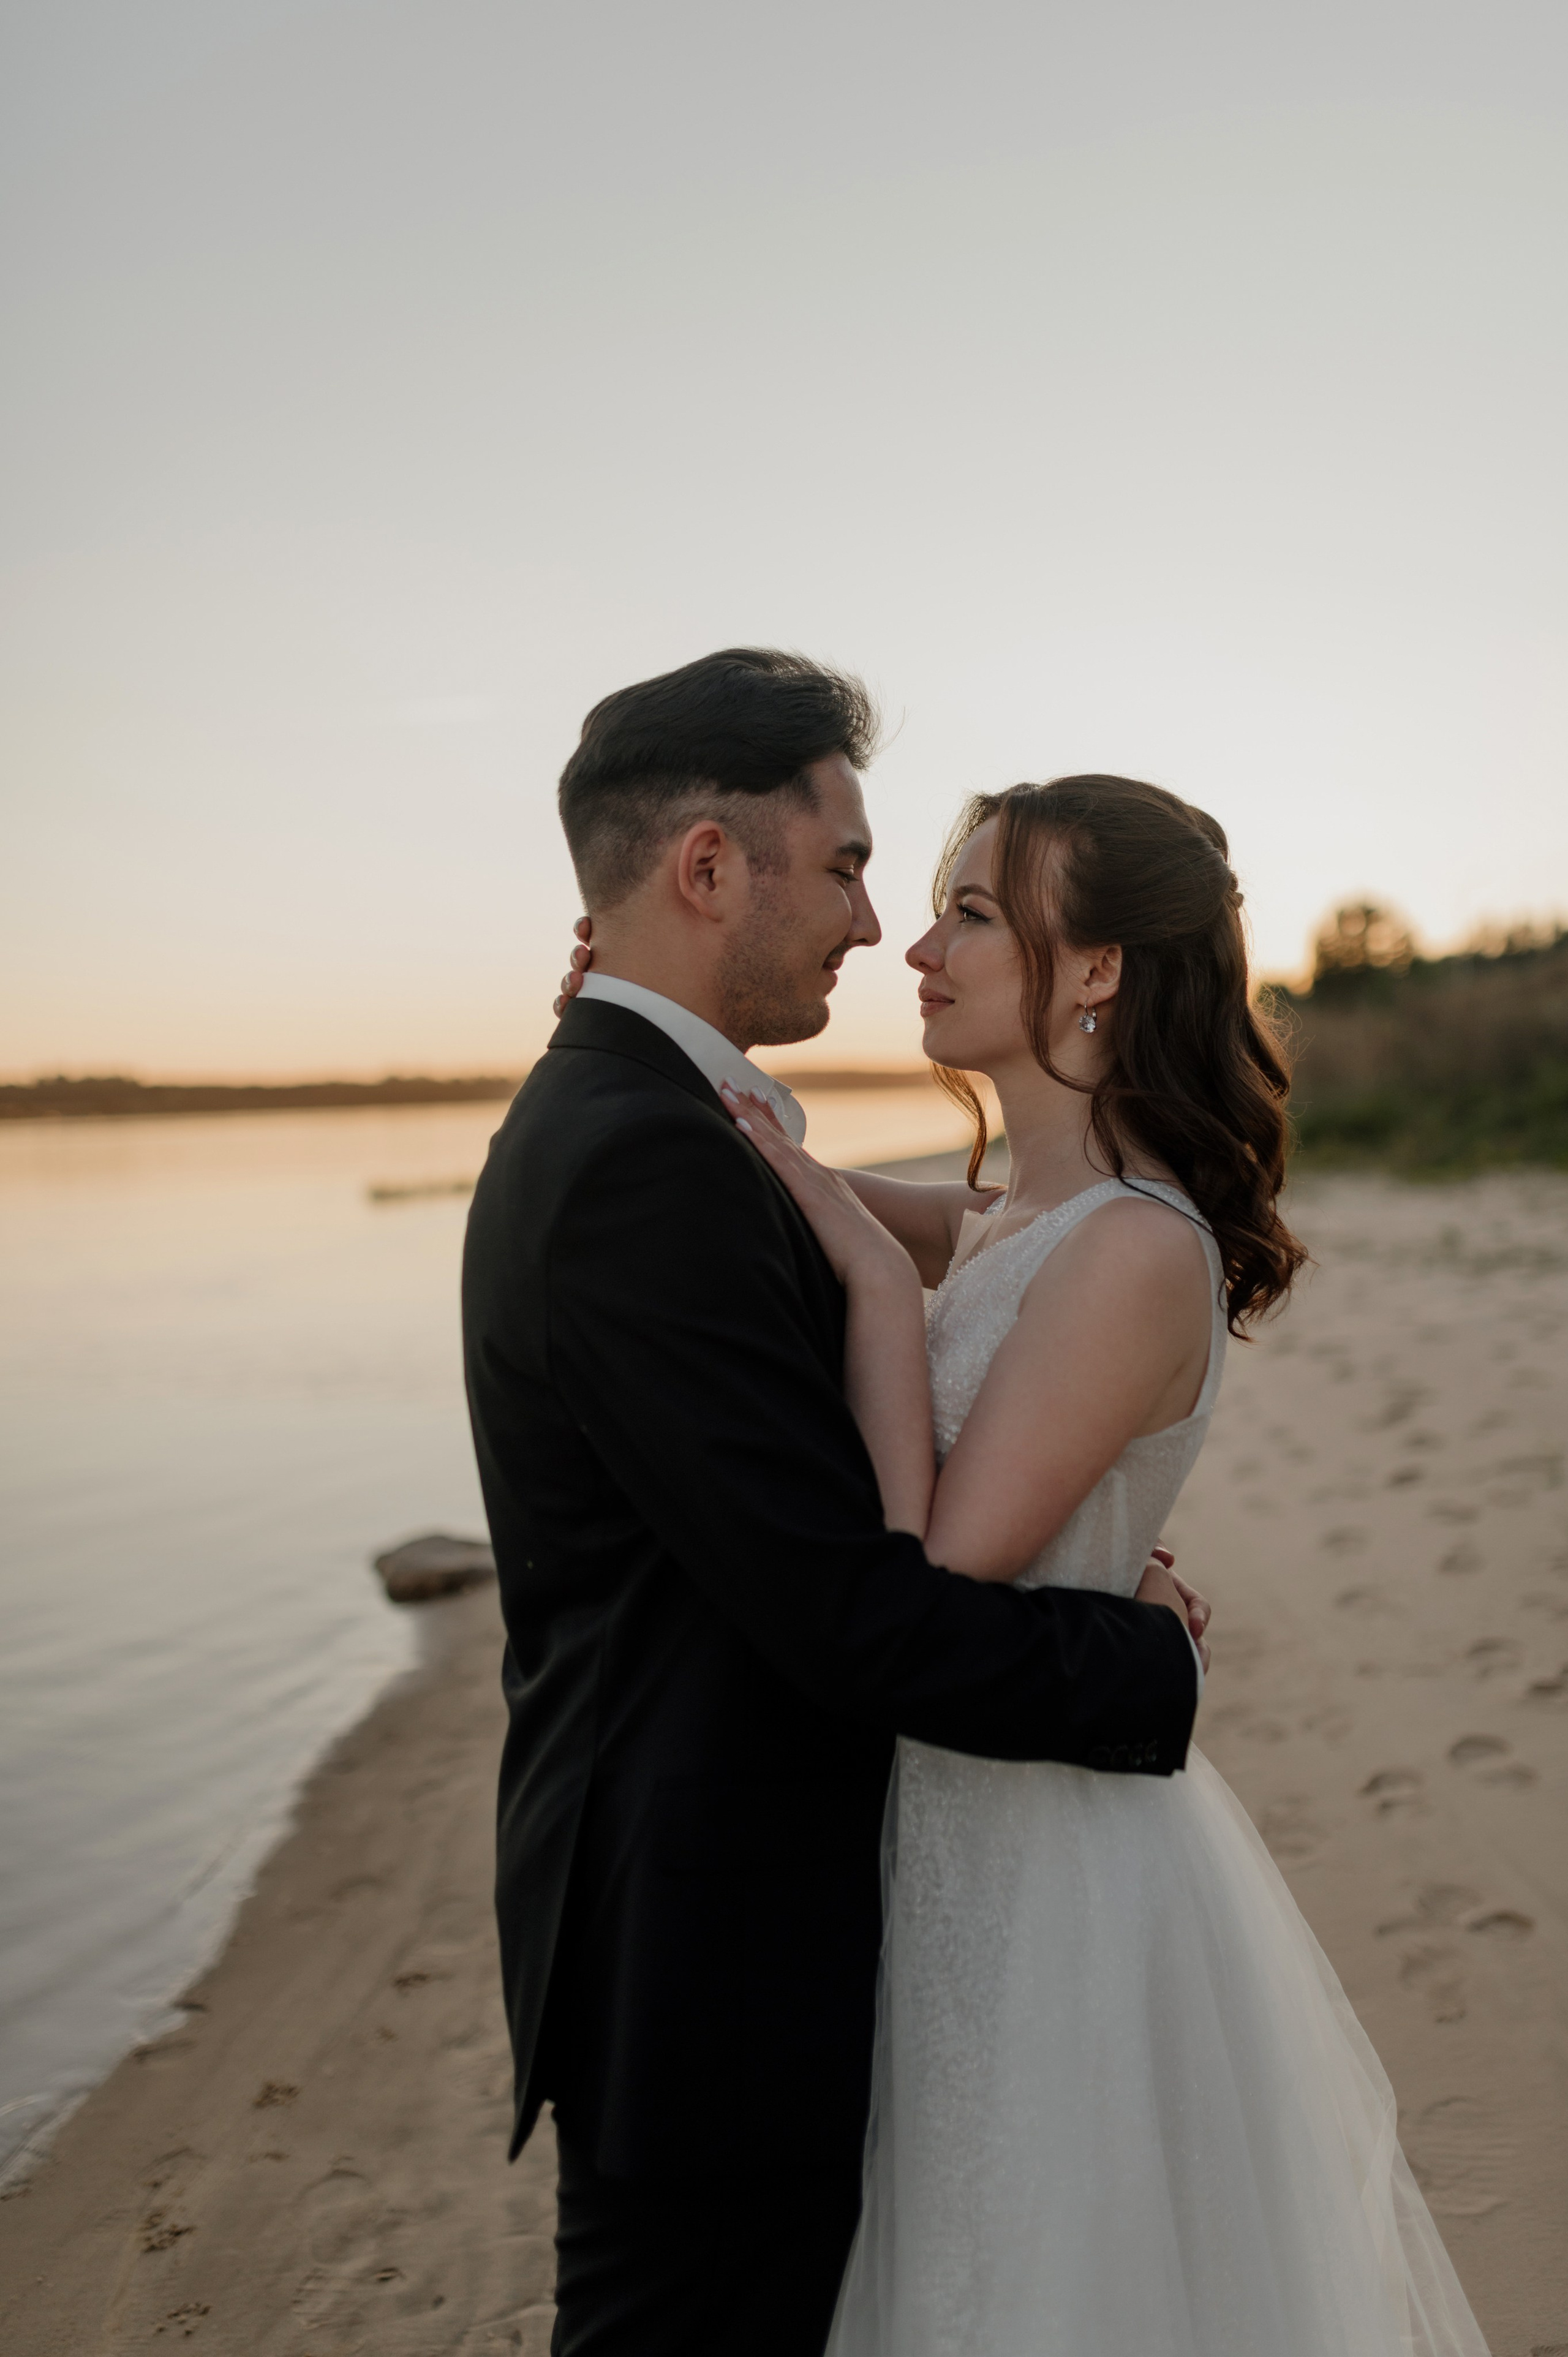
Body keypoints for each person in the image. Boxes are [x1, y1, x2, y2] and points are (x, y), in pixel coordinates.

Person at [461, 651, 1209, 2357]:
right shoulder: (636, 1154)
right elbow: (847, 1616)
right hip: (711, 1964)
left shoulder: (655, 1123)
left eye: (941, 902)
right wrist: (1142, 1657)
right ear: (709, 868)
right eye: (857, 867)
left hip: (753, 1940)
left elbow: (977, 1279)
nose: (882, 932)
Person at [723, 774, 1491, 2356]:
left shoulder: (1137, 1247)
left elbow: (936, 1567)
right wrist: (645, 1049)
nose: (918, 947)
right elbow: (760, 1193)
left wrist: (876, 1287)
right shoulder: (1012, 1216)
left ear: (1097, 971)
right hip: (957, 1828)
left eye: (974, 915)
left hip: (1045, 1864)